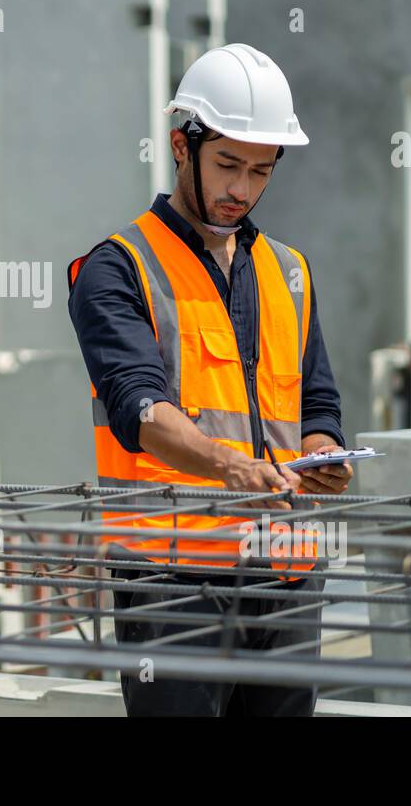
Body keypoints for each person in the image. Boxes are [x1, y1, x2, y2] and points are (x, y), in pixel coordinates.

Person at [66, 43, 352, 716]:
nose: (242, 190)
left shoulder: (289, 271)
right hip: (174, 584)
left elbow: (317, 400)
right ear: (180, 145)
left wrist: (322, 453)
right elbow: (141, 414)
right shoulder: (118, 268)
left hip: (287, 574)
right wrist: (234, 467)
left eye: (260, 171)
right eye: (227, 164)